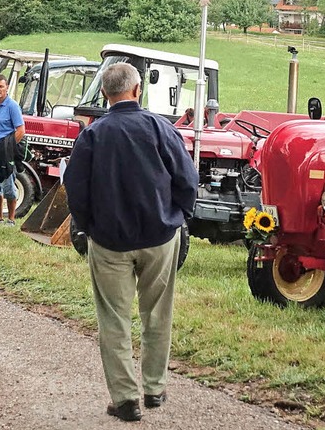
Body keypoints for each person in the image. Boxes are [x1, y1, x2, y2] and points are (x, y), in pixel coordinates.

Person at [64, 63, 198, 423]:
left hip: (109, 242)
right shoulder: (159, 127)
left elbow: (74, 189)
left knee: (114, 319)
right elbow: (187, 178)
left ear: (105, 94)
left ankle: (125, 399)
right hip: (159, 237)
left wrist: (90, 227)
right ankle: (154, 389)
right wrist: (179, 216)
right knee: (157, 313)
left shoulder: (93, 135)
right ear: (138, 90)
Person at [0, 74, 25, 225]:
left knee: (9, 186)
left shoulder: (12, 106)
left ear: (7, 87)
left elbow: (20, 130)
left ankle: (11, 219)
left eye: (1, 86)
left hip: (6, 156)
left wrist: (8, 148)